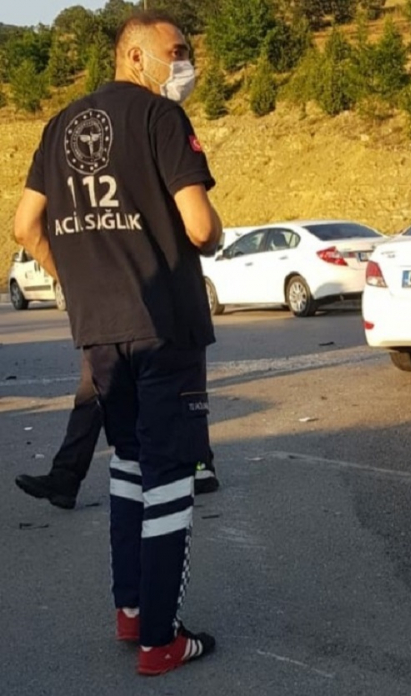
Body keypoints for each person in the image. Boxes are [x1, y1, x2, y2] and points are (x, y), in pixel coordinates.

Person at [13, 10, 221, 675]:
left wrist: (75, 280)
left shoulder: (58, 126)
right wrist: (213, 234)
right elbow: (198, 227)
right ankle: (162, 638)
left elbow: (24, 226)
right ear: (135, 57)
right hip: (164, 328)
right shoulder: (162, 120)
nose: (186, 64)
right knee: (169, 480)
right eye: (177, 52)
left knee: (129, 466)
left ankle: (130, 612)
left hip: (100, 331)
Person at [14, 360, 219, 510]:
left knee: (168, 383)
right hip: (109, 319)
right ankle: (65, 476)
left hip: (150, 316)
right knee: (93, 387)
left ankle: (200, 464)